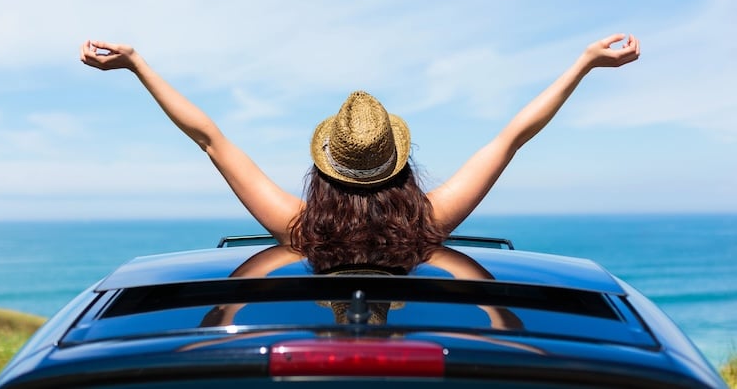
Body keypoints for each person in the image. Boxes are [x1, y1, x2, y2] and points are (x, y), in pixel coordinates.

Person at [79, 34, 639, 281]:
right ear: (399, 160)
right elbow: (513, 136)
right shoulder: (430, 222)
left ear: (326, 165)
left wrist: (136, 64)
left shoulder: (300, 229)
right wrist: (585, 63)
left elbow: (209, 138)